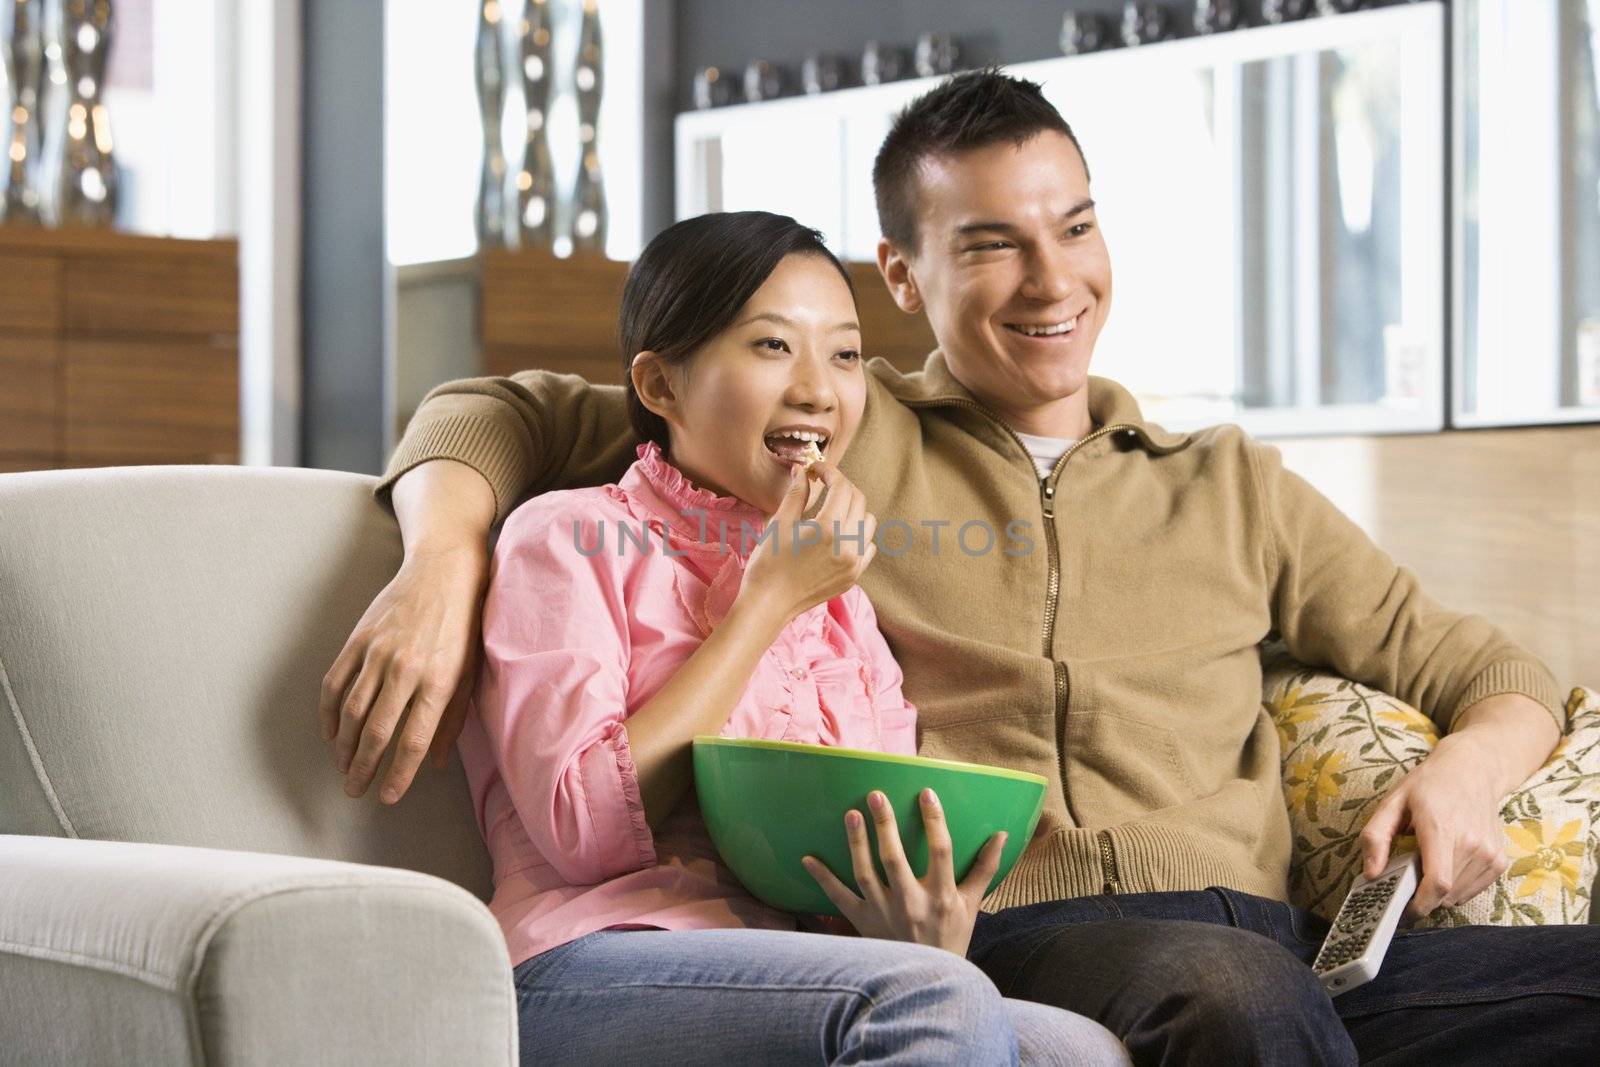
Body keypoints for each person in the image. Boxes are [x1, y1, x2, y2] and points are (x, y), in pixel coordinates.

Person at [321, 71, 1600, 1064]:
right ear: (903, 273)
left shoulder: (1228, 480)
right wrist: (442, 557)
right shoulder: (831, 426)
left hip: (1272, 937)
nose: (1054, 280)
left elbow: (1492, 667)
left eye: (1076, 227)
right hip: (1027, 931)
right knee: (1236, 998)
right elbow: (512, 407)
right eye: (991, 244)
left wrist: (1463, 775)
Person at [451, 209, 1127, 1065]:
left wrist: (921, 923)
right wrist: (765, 602)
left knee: (1078, 1050)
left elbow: (869, 849)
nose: (819, 389)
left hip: (800, 970)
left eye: (844, 354)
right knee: (930, 1000)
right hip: (583, 959)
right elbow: (581, 827)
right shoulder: (567, 536)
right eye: (773, 346)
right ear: (659, 386)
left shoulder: (839, 597)